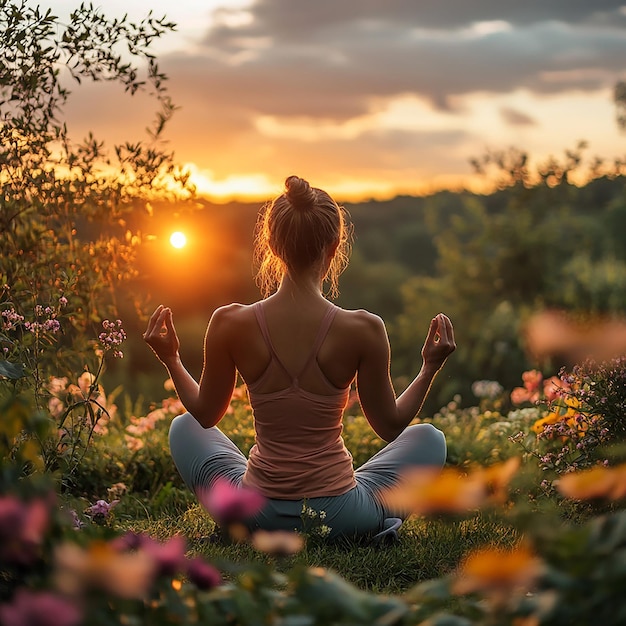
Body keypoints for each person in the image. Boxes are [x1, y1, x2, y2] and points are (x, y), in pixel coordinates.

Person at [143, 175, 455, 541]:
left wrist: (172, 359)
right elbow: (390, 426)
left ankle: (234, 519)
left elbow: (206, 414)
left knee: (184, 427)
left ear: (272, 244)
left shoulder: (229, 322)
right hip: (340, 516)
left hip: (255, 512)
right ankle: (371, 527)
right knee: (430, 439)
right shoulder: (364, 328)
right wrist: (429, 367)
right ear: (335, 246)